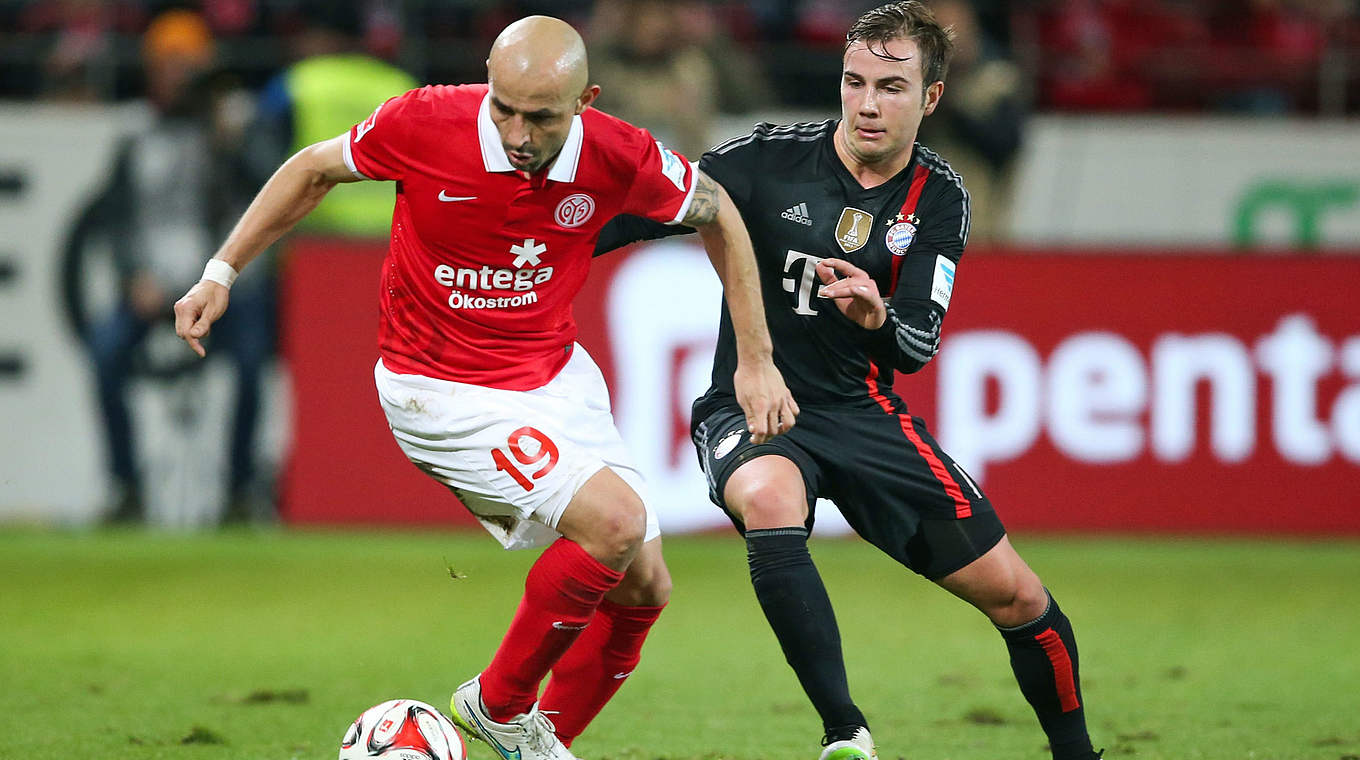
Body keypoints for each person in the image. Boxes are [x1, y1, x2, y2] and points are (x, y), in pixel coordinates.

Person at [172, 15, 796, 760]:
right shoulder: (426, 120)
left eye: (541, 116)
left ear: (585, 101)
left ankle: (541, 741)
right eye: (504, 107)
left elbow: (718, 209)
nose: (517, 132)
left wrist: (754, 359)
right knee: (616, 524)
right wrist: (221, 272)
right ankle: (498, 705)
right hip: (437, 389)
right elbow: (312, 168)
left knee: (644, 588)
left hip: (554, 376)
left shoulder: (618, 153)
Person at [594, 3, 1102, 759]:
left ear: (931, 98)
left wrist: (875, 315)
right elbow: (639, 214)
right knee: (769, 497)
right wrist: (543, 241)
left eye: (892, 88)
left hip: (865, 418)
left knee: (1023, 600)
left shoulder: (938, 199)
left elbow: (918, 344)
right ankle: (845, 732)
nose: (867, 104)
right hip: (753, 404)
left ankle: (1078, 755)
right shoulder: (763, 160)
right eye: (854, 81)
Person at [79, 9, 271, 524]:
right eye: (171, 65)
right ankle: (127, 487)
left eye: (191, 66)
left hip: (223, 286)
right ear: (152, 70)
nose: (181, 77)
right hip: (154, 285)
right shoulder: (134, 134)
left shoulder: (234, 125)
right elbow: (114, 219)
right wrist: (130, 275)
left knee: (253, 365)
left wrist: (230, 140)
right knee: (104, 355)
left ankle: (239, 491)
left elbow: (269, 193)